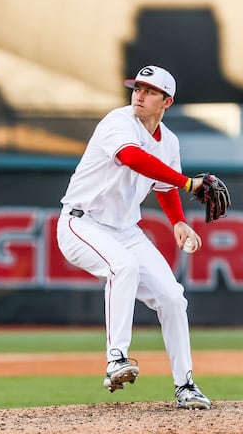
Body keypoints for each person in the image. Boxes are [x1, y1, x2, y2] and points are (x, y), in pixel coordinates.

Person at [56, 65, 211, 410]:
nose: (139, 95)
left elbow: (165, 187)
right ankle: (116, 360)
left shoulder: (169, 141)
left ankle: (185, 385)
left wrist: (178, 222)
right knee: (123, 267)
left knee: (173, 297)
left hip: (125, 230)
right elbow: (132, 157)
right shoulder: (118, 121)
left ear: (166, 102)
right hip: (81, 224)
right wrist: (189, 182)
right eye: (137, 88)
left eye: (149, 91)